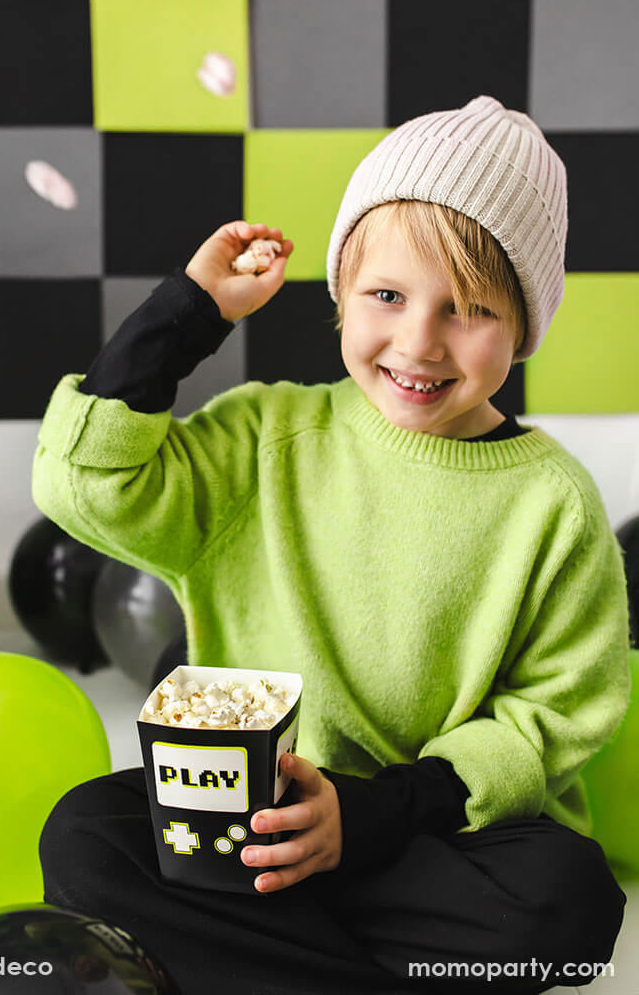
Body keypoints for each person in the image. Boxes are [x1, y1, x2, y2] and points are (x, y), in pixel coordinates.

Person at [31, 95, 631, 995]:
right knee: (85, 834)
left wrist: (371, 813)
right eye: (387, 296)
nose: (419, 343)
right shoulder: (267, 437)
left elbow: (554, 716)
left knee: (568, 905)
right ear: (342, 294)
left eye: (468, 311)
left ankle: (251, 967)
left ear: (523, 326)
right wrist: (186, 315)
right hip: (258, 832)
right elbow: (85, 480)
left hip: (424, 836)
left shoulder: (553, 501)